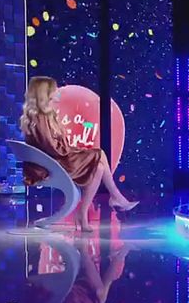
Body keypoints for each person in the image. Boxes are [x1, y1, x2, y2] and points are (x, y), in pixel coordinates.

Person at [20, 76, 138, 231]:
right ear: (45, 93)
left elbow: (55, 145)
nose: (57, 91)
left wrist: (72, 149)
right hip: (50, 165)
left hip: (55, 160)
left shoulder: (46, 115)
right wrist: (72, 150)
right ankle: (115, 197)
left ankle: (83, 212)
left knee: (99, 168)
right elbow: (52, 147)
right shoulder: (39, 117)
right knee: (99, 154)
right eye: (54, 89)